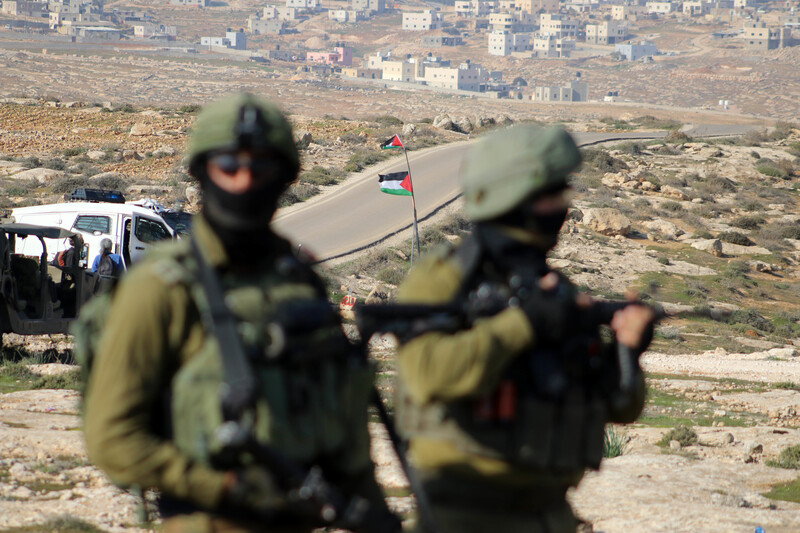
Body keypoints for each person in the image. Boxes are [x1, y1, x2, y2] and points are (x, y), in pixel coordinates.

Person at [84, 93, 398, 533]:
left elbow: (341, 414)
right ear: (202, 174)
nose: (245, 182)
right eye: (229, 167)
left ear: (285, 178)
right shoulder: (162, 287)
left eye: (262, 168)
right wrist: (220, 487)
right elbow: (112, 438)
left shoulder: (299, 281)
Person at [394, 125, 656, 533]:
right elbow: (429, 375)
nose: (563, 207)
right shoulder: (442, 280)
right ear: (514, 198)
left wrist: (626, 352)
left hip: (548, 516)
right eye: (552, 195)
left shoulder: (553, 287)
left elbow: (619, 406)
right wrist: (525, 323)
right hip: (459, 519)